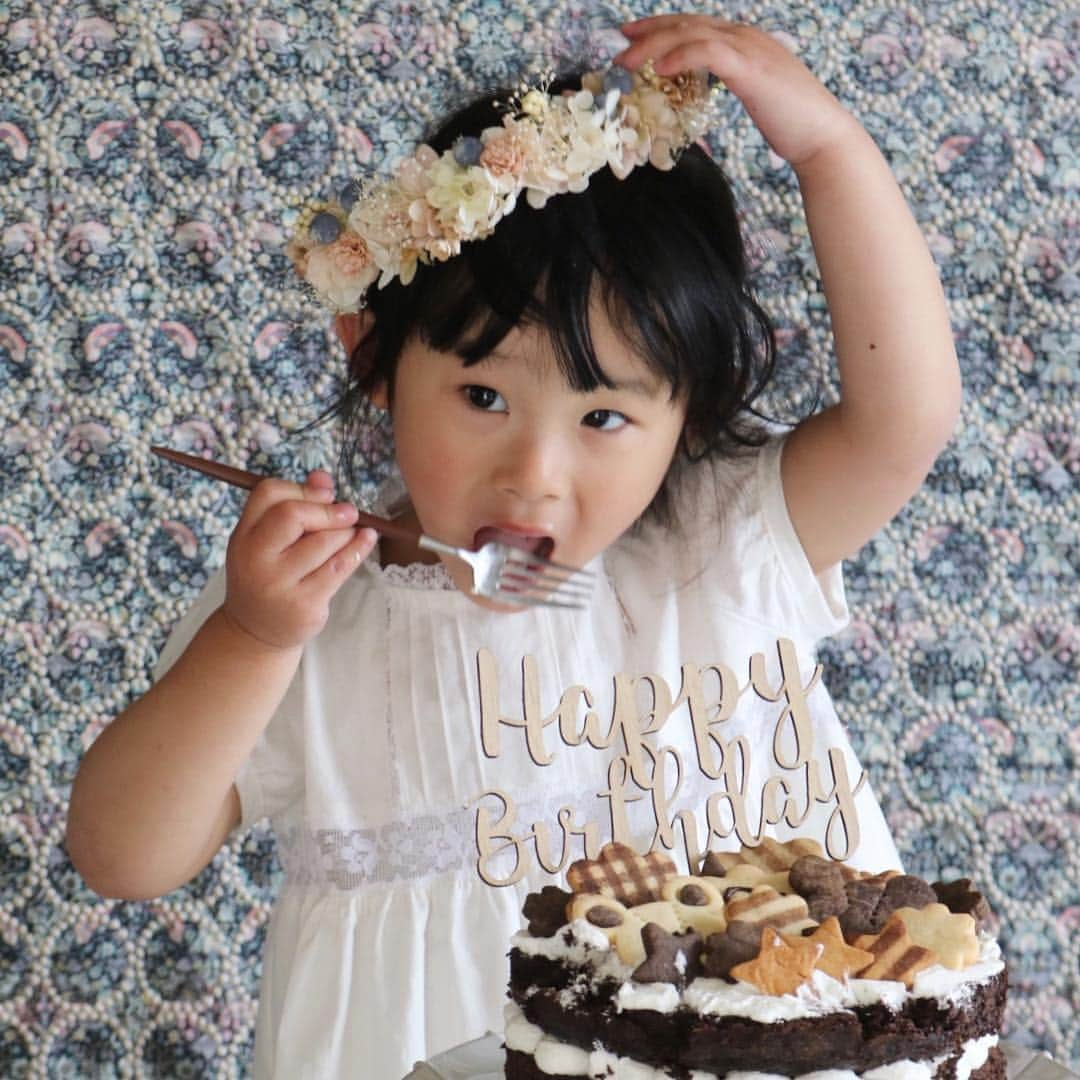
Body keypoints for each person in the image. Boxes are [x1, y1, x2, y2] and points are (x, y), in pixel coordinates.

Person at [66, 14, 961, 1078]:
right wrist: (252, 639)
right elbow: (122, 853)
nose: (534, 472)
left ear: (690, 413)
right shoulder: (312, 615)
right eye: (484, 395)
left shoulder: (727, 542)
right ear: (374, 358)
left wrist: (828, 152)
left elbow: (908, 417)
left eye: (605, 419)